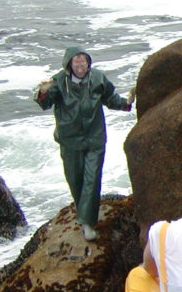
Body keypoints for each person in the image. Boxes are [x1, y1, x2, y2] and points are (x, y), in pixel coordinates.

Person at [34, 46, 134, 241]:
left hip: (94, 138)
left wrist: (127, 103)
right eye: (76, 61)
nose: (80, 65)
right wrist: (43, 92)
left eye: (84, 61)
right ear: (69, 64)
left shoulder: (97, 78)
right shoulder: (59, 81)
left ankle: (88, 223)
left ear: (88, 63)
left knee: (92, 178)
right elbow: (45, 104)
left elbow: (110, 98)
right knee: (75, 179)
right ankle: (84, 214)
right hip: (69, 140)